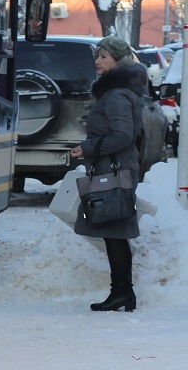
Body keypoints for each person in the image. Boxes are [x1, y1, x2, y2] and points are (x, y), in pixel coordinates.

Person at [69, 35, 146, 312]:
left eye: (104, 56)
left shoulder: (116, 95)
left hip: (115, 170)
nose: (97, 61)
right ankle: (122, 293)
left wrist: (87, 148)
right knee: (115, 233)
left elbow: (123, 135)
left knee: (115, 232)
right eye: (97, 56)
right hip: (114, 168)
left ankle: (122, 293)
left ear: (118, 60)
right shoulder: (118, 91)